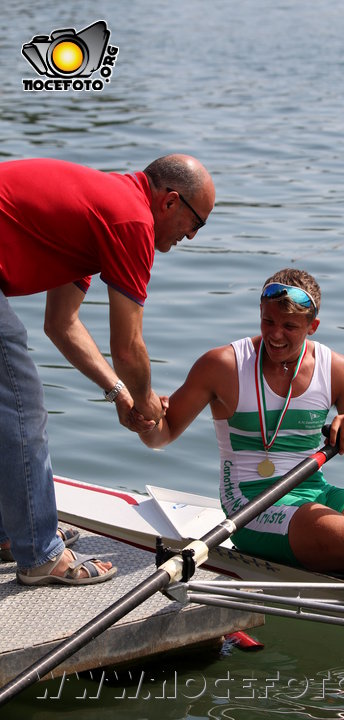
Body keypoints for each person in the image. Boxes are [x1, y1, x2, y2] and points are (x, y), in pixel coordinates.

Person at [139, 268, 344, 612]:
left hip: (313, 488)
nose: (275, 335)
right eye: (267, 321)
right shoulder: (223, 365)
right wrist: (143, 418)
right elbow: (161, 435)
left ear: (312, 326)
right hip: (251, 503)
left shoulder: (336, 369)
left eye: (289, 327)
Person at [0, 154, 215, 585]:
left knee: (8, 409)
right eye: (197, 223)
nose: (191, 236)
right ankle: (40, 553)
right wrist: (149, 404)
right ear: (170, 202)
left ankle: (10, 535)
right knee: (22, 408)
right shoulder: (132, 221)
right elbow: (129, 348)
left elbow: (61, 324)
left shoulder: (103, 213)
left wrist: (120, 393)